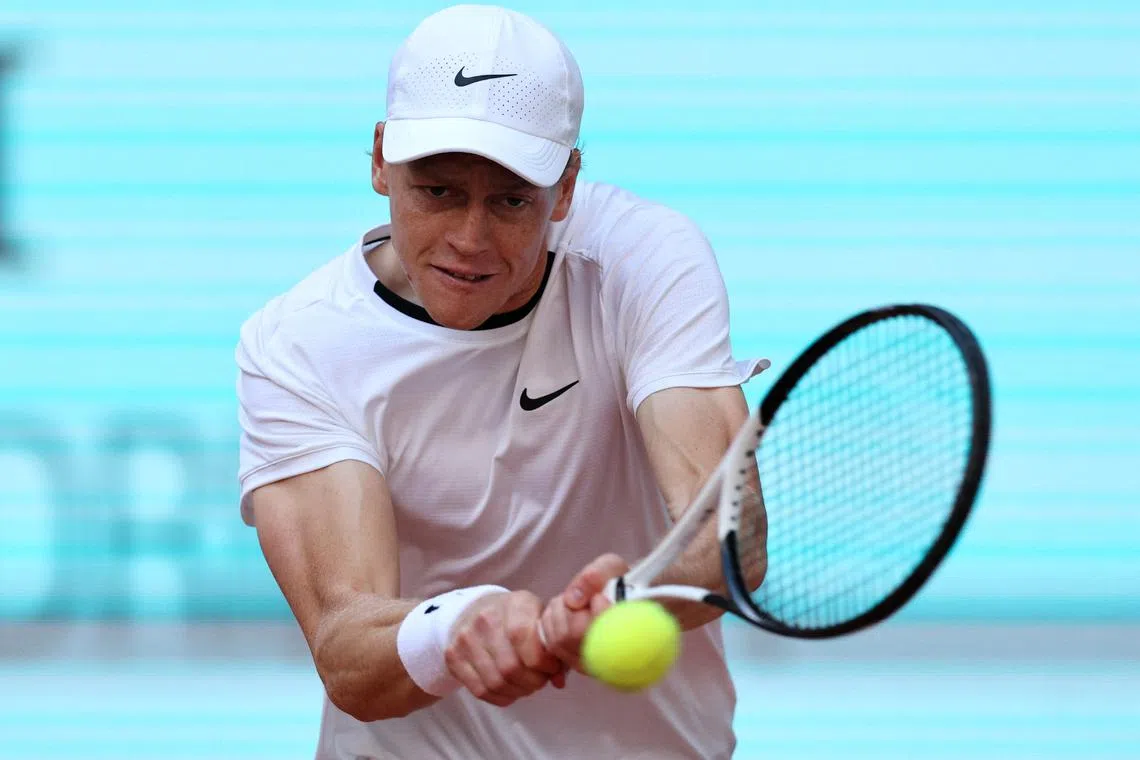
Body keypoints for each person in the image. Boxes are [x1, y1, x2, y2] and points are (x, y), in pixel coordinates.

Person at [236, 5, 765, 758]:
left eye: (512, 200)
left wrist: (624, 597)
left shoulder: (647, 261)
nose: (469, 240)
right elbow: (347, 649)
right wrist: (457, 627)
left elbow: (729, 540)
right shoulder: (299, 343)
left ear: (568, 186)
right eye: (439, 191)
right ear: (382, 159)